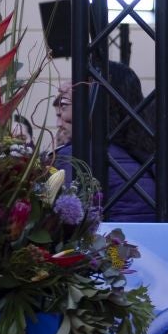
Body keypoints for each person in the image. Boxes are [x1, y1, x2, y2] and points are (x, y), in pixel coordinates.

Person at [54, 60, 157, 222]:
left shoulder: (76, 157)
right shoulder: (147, 154)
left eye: (65, 104)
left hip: (109, 245)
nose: (64, 87)